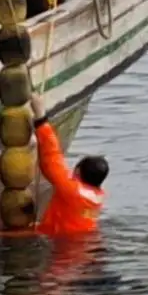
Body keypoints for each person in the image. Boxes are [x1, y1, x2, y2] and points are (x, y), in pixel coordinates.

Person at [28, 92, 108, 236]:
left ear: (77, 171)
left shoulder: (71, 190)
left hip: (61, 244)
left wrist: (40, 117)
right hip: (78, 242)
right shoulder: (97, 197)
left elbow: (52, 159)